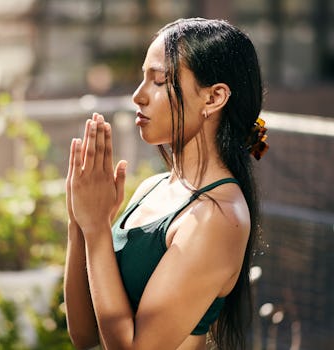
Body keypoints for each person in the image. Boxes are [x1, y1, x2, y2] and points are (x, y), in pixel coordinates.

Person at [64, 18, 269, 350]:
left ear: (214, 98)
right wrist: (80, 221)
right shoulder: (152, 188)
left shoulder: (218, 217)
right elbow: (84, 334)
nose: (138, 96)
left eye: (158, 81)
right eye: (142, 78)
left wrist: (98, 229)